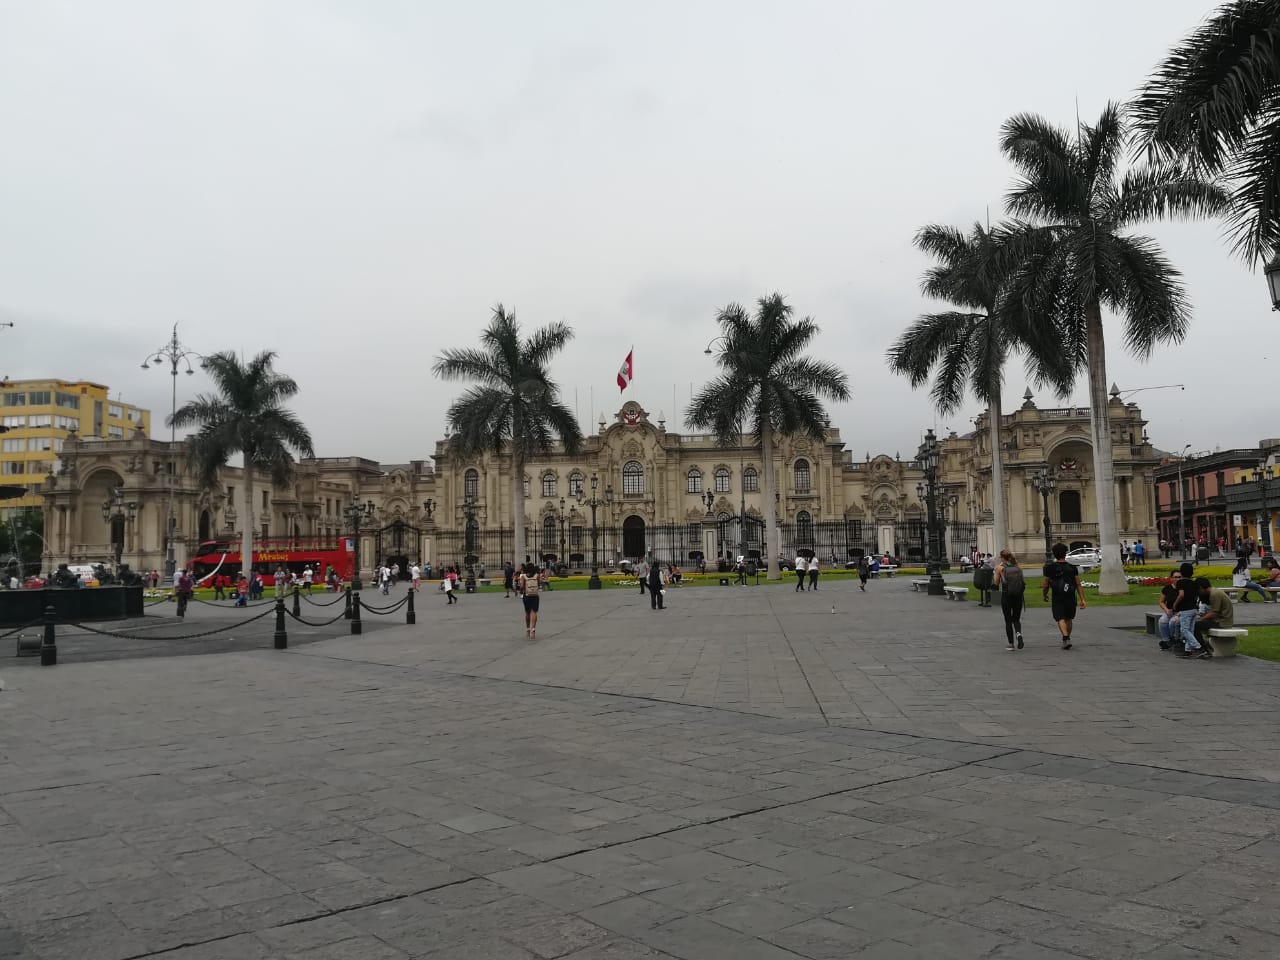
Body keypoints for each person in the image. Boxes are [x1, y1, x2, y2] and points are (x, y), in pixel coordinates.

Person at [1042, 543, 1086, 650]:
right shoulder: (1072, 567)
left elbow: (1046, 584)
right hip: (1070, 595)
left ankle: (1065, 637)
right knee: (1069, 618)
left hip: (1057, 596)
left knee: (1060, 617)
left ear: (1054, 554)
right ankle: (1068, 637)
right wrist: (1082, 599)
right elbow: (1078, 584)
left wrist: (1045, 594)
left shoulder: (1049, 568)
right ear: (1065, 554)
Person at [1169, 561, 1208, 658]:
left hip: (1185, 609)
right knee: (1190, 629)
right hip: (1194, 608)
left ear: (1181, 573)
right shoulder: (1194, 583)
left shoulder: (1180, 582)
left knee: (1184, 629)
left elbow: (1181, 594)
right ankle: (1188, 650)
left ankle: (1199, 648)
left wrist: (1175, 604)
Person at [1188, 577, 1232, 657]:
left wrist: (1201, 618)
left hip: (1222, 622)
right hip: (1219, 620)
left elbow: (1214, 613)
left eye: (1198, 590)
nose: (1198, 593)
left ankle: (1202, 649)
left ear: (1201, 588)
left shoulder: (1214, 594)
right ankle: (1203, 645)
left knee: (1195, 625)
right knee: (1196, 623)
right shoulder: (1214, 592)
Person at [993, 550, 1026, 650]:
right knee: (1016, 618)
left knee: (1008, 620)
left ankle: (1011, 644)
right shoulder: (1018, 567)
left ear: (1002, 557)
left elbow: (996, 583)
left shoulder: (999, 568)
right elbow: (1022, 582)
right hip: (1018, 596)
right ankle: (1019, 634)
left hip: (1006, 595)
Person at [1157, 571, 1183, 650]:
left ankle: (1173, 639)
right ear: (1171, 578)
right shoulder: (1167, 588)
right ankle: (1166, 640)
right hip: (1170, 611)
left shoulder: (1183, 589)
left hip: (1181, 612)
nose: (1177, 579)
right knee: (1162, 621)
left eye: (1179, 577)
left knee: (1173, 621)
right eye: (1175, 577)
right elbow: (1161, 602)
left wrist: (1179, 613)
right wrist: (1166, 610)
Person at [518, 563, 543, 638]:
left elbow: (522, 586)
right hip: (535, 595)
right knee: (534, 612)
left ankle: (528, 629)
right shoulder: (537, 576)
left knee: (527, 612)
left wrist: (521, 590)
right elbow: (539, 584)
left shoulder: (523, 576)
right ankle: (533, 629)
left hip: (527, 596)